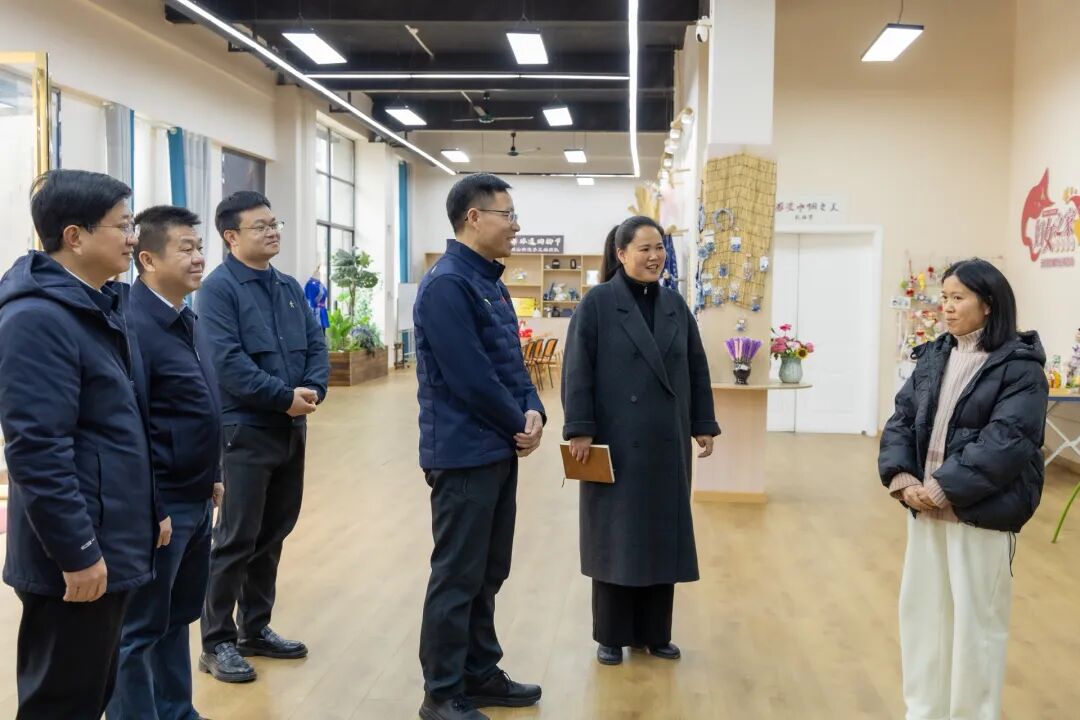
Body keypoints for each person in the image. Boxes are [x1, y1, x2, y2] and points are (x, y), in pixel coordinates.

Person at [0, 169, 162, 719]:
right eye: (123, 226)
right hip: (74, 555)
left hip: (108, 536)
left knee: (91, 694)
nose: (133, 238)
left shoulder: (97, 306)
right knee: (61, 703)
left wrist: (152, 512)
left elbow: (119, 429)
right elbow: (36, 451)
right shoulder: (36, 319)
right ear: (74, 236)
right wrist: (78, 553)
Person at [878, 258, 1048, 720]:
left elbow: (1008, 440)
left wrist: (942, 489)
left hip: (980, 512)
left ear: (988, 304)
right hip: (924, 506)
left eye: (958, 298)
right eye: (944, 298)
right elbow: (901, 419)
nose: (947, 308)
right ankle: (924, 711)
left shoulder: (1020, 367)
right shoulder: (936, 355)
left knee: (976, 624)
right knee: (923, 617)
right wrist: (903, 478)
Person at [413, 173, 545, 720]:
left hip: (494, 448)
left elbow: (511, 364)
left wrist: (534, 411)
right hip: (463, 453)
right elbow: (470, 377)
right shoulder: (447, 285)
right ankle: (442, 692)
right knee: (458, 575)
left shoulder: (489, 282)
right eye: (507, 215)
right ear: (473, 217)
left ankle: (479, 671)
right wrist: (519, 422)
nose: (515, 226)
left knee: (489, 570)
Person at [561, 217, 719, 667]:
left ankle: (654, 634)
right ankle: (611, 636)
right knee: (616, 537)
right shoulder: (597, 303)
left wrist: (703, 422)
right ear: (622, 253)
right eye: (645, 248)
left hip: (666, 440)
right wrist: (580, 427)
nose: (655, 257)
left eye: (660, 248)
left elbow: (696, 366)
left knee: (660, 534)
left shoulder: (674, 304)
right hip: (615, 439)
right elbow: (577, 369)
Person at [198, 191, 329, 683]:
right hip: (246, 431)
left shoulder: (288, 286)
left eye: (275, 223)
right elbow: (228, 364)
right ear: (231, 236)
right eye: (261, 226)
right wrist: (283, 397)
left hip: (291, 428)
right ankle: (217, 641)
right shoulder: (218, 290)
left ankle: (254, 628)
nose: (273, 232)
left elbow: (316, 344)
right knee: (235, 537)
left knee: (274, 531)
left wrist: (312, 389)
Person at [107, 206, 222, 720]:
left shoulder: (185, 318)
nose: (198, 258)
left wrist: (214, 473)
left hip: (195, 497)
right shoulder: (134, 326)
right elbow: (134, 427)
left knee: (177, 616)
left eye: (200, 247)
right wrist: (154, 507)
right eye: (186, 248)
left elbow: (201, 405)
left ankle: (177, 712)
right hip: (160, 506)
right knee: (139, 628)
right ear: (148, 259)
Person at [304, 264, 329, 330]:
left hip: (322, 312)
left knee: (323, 333)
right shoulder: (310, 284)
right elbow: (311, 301)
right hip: (315, 313)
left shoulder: (320, 284)